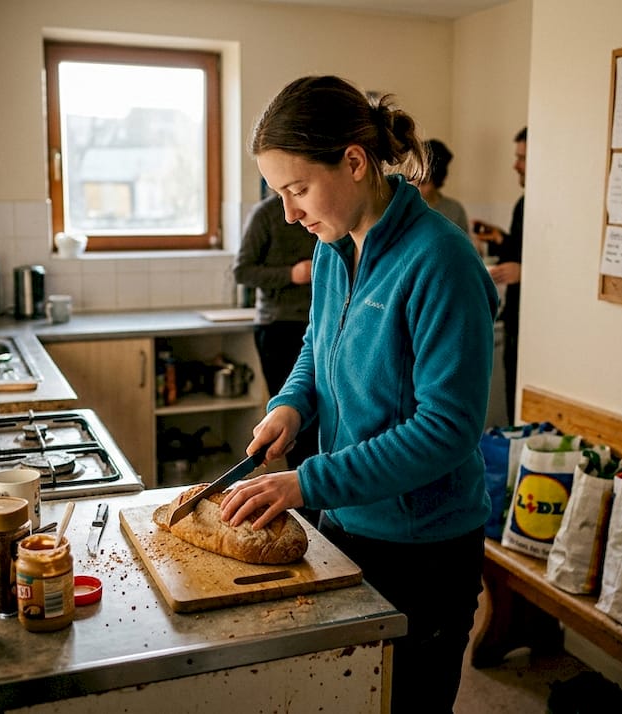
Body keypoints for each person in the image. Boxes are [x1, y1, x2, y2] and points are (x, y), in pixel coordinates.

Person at [219, 75, 499, 714]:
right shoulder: (332, 249)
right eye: (278, 195)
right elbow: (316, 351)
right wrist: (288, 408)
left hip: (423, 551)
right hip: (346, 525)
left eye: (297, 190)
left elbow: (448, 429)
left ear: (353, 161)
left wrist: (305, 483)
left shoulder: (441, 260)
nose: (289, 213)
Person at [232, 190, 320, 477]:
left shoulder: (322, 213)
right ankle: (301, 492)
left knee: (320, 422)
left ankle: (312, 492)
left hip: (319, 323)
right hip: (278, 327)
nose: (293, 210)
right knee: (293, 426)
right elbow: (242, 271)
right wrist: (290, 275)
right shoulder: (265, 214)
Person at [473, 127, 526, 423]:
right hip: (515, 318)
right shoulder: (522, 204)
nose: (515, 165)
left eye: (522, 158)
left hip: (536, 324)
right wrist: (499, 239)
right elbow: (520, 251)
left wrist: (526, 273)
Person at [414, 139, 469, 231]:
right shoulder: (406, 209)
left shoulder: (454, 210)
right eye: (414, 179)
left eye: (424, 182)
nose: (417, 186)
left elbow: (463, 243)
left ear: (437, 181)